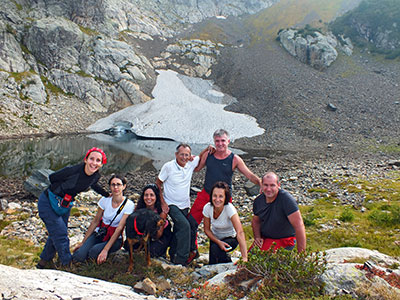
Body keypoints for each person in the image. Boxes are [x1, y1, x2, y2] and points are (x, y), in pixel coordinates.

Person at [37, 147, 109, 268]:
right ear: (85, 159)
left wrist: (106, 194)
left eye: (98, 161)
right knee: (61, 234)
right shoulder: (72, 170)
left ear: (101, 164)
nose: (94, 163)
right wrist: (61, 190)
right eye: (92, 159)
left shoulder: (95, 176)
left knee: (56, 232)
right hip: (48, 202)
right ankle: (67, 264)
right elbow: (52, 177)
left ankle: (44, 261)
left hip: (65, 204)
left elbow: (93, 185)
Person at [190, 129, 261, 225]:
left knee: (223, 225)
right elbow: (196, 168)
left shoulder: (235, 159)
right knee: (191, 221)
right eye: (217, 141)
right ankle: (191, 240)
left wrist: (262, 184)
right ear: (214, 142)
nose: (220, 144)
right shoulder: (208, 154)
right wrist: (203, 151)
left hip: (224, 198)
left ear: (228, 141)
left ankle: (222, 240)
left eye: (223, 140)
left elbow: (250, 175)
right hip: (206, 194)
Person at [156, 143, 211, 265]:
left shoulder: (190, 164)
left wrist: (207, 149)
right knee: (185, 226)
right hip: (171, 204)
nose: (184, 157)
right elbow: (158, 183)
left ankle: (173, 254)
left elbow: (200, 157)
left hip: (185, 204)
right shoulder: (168, 166)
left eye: (187, 155)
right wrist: (163, 202)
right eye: (182, 154)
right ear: (176, 154)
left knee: (178, 229)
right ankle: (182, 259)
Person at [72, 174, 134, 264]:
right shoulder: (105, 200)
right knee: (79, 256)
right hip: (101, 233)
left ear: (124, 186)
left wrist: (105, 250)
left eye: (118, 184)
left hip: (115, 237)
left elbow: (119, 228)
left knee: (93, 252)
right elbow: (95, 221)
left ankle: (100, 256)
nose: (115, 187)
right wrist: (83, 242)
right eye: (113, 184)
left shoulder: (129, 205)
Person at [251, 172, 306, 253]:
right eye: (266, 185)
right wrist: (257, 237)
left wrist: (301, 254)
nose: (268, 189)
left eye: (272, 185)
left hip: (285, 240)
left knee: (262, 260)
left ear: (278, 185)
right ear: (261, 185)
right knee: (247, 260)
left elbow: (299, 226)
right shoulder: (258, 201)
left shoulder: (286, 200)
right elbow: (256, 221)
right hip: (266, 239)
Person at [203, 181, 248, 264]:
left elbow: (240, 231)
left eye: (221, 196)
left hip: (230, 238)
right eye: (215, 196)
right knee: (213, 262)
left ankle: (228, 262)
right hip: (216, 238)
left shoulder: (229, 208)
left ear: (225, 197)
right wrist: (218, 242)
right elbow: (206, 229)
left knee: (215, 250)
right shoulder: (207, 208)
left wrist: (244, 257)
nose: (217, 199)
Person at [127, 183, 172, 258]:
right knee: (128, 245)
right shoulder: (138, 209)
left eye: (151, 195)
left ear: (156, 197)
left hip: (159, 235)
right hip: (144, 234)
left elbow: (158, 235)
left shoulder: (161, 212)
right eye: (146, 195)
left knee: (152, 251)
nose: (148, 198)